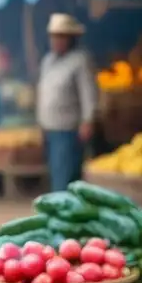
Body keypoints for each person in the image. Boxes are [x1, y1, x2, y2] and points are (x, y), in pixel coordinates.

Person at [37, 14, 97, 192]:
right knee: (55, 173)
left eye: (61, 36)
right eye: (54, 36)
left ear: (71, 38)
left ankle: (65, 217)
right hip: (49, 127)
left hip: (68, 129)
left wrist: (88, 120)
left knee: (65, 178)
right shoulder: (47, 60)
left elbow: (88, 93)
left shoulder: (80, 60)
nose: (56, 41)